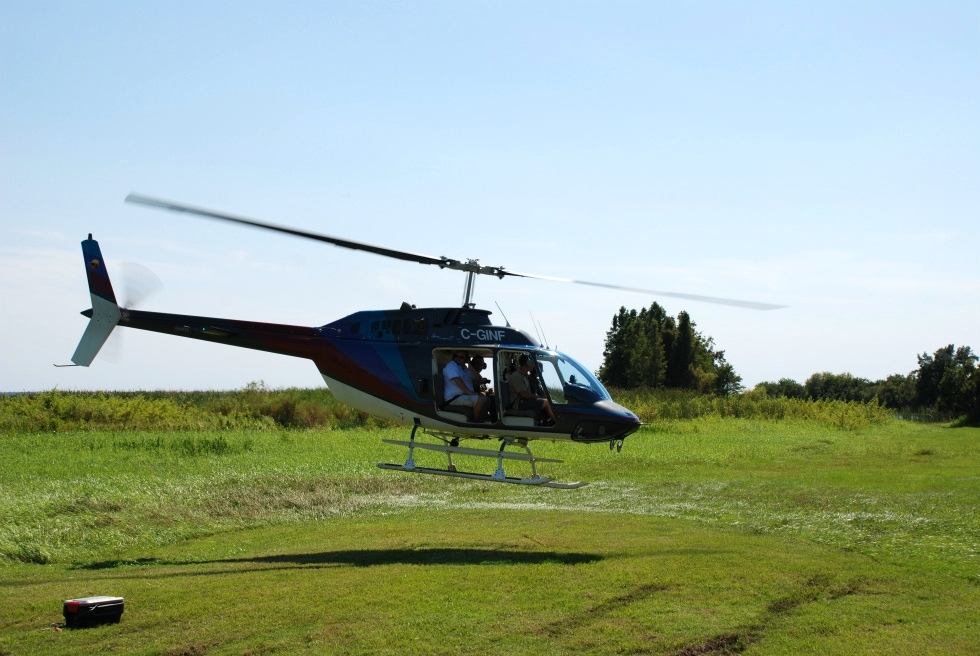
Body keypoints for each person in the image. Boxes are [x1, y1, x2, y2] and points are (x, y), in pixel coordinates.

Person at [507, 354, 556, 426]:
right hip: (518, 403)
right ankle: (557, 423)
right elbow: (523, 394)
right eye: (532, 362)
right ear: (528, 363)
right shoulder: (517, 376)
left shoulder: (525, 375)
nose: (533, 365)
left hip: (524, 401)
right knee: (546, 403)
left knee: (550, 402)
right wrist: (537, 397)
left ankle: (549, 421)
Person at [442, 350, 488, 422]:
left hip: (463, 396)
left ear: (466, 360)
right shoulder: (452, 365)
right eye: (456, 356)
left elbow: (480, 381)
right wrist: (469, 392)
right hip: (454, 398)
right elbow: (457, 379)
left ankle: (481, 421)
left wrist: (471, 368)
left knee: (487, 399)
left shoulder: (466, 370)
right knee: (480, 400)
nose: (458, 358)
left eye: (461, 357)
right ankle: (475, 423)